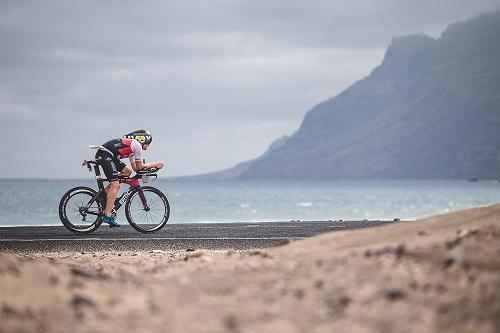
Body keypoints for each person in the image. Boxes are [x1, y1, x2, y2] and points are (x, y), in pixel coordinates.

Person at [95, 129, 164, 227]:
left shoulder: (133, 149)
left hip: (110, 156)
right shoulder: (137, 146)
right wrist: (156, 163)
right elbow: (140, 167)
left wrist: (151, 168)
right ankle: (107, 214)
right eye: (148, 143)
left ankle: (108, 191)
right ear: (143, 140)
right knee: (116, 185)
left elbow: (136, 168)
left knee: (127, 172)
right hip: (105, 154)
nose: (149, 145)